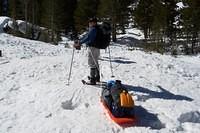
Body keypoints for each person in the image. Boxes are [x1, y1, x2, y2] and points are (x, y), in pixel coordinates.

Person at [74, 17, 100, 85]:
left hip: (93, 48)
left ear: (94, 23)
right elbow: (86, 36)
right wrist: (80, 40)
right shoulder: (95, 29)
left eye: (91, 22)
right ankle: (97, 77)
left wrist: (80, 42)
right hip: (96, 47)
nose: (89, 23)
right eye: (89, 22)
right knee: (95, 61)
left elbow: (88, 38)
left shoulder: (93, 29)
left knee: (91, 63)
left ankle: (92, 80)